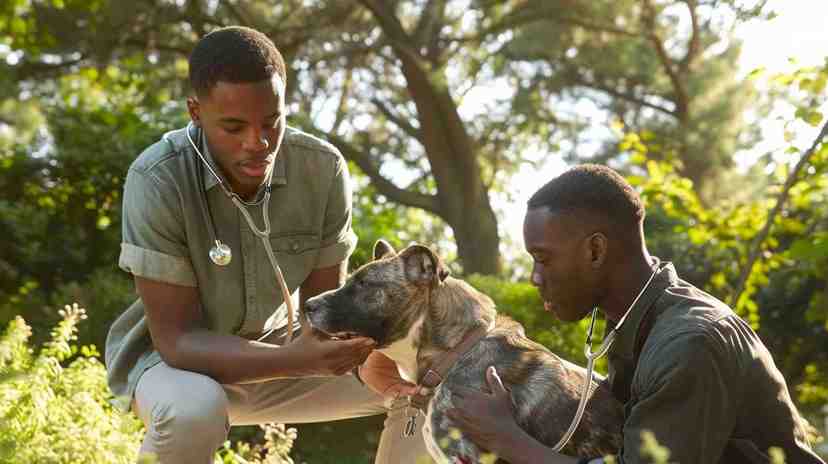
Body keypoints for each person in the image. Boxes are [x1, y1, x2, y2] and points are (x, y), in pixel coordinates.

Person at [104, 26, 429, 464]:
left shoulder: (323, 169)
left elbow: (324, 314)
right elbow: (177, 340)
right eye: (234, 126)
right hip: (179, 366)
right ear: (195, 111)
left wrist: (359, 355)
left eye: (272, 122)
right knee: (193, 412)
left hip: (285, 349)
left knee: (429, 382)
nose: (257, 143)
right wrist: (299, 360)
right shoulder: (157, 178)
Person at [447, 164, 825, 464]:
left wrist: (507, 439)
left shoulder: (691, 343)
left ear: (595, 251)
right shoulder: (635, 322)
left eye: (543, 259)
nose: (534, 278)